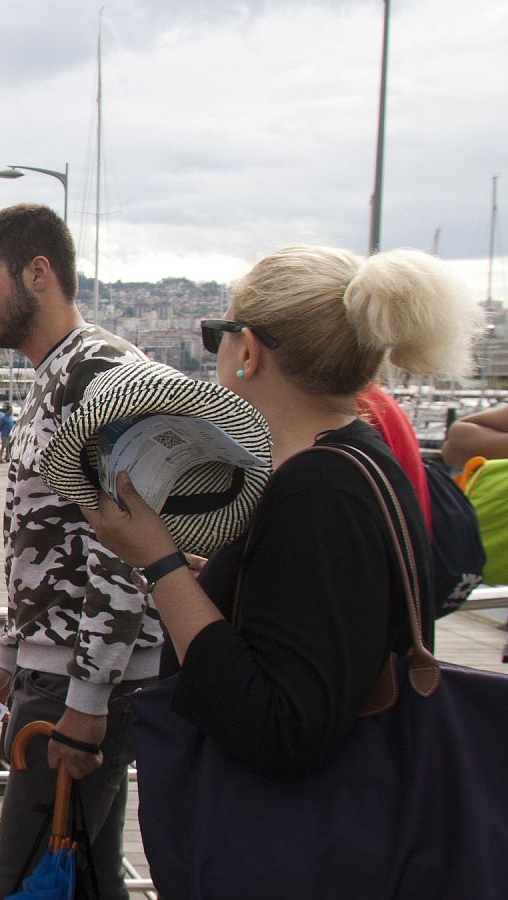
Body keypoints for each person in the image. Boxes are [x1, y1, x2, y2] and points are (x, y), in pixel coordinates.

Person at [80, 244, 476, 849]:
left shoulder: (318, 489)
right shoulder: (358, 457)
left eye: (220, 333)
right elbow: (314, 623)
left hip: (301, 850)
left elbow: (279, 727)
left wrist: (160, 565)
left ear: (250, 350)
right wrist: (219, 577)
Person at [0, 203, 160, 899]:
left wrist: (88, 697)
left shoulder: (97, 373)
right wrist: (12, 658)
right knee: (82, 882)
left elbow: (125, 548)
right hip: (58, 670)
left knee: (28, 881)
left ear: (37, 273)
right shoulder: (60, 371)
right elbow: (46, 538)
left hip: (80, 681)